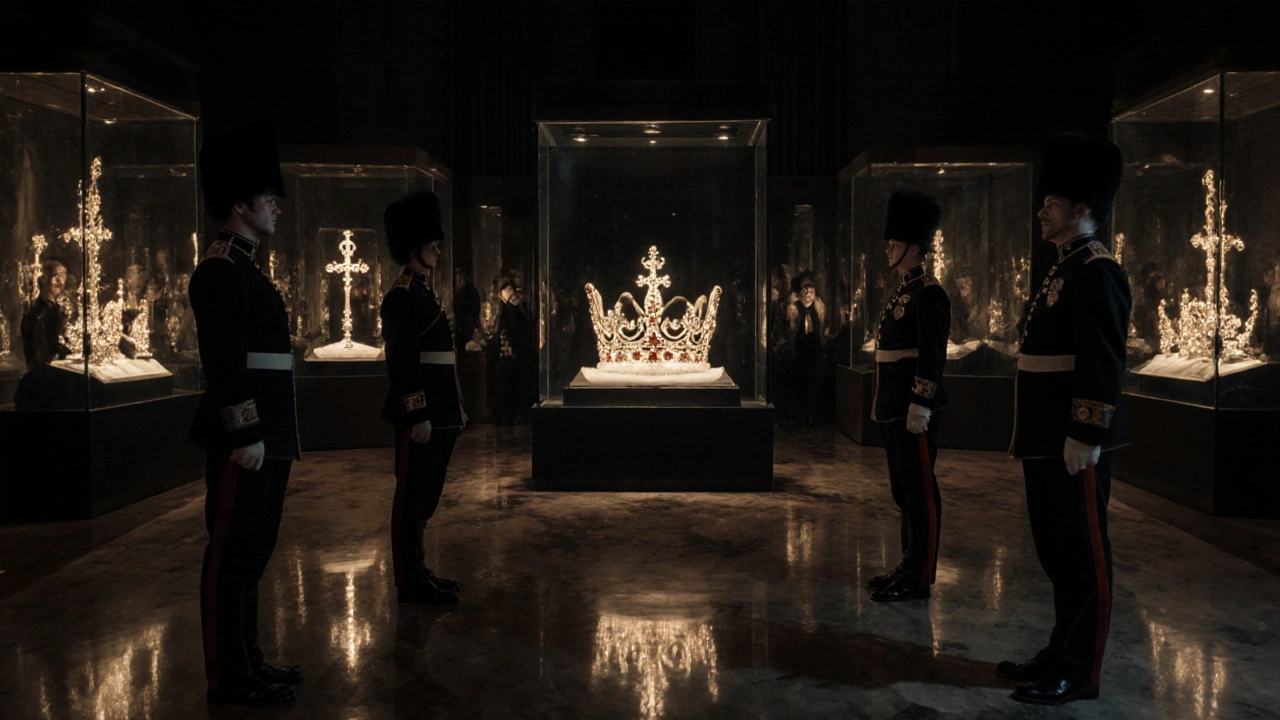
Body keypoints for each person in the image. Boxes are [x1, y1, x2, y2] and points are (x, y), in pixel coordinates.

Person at [1002, 132, 1128, 706]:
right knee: (1056, 550)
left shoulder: (1097, 269)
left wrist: (1085, 430)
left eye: (1052, 201)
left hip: (1071, 441)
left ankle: (1081, 670)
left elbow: (1103, 358)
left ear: (1081, 207)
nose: (1041, 210)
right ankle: (1060, 648)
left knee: (1082, 553)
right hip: (1045, 437)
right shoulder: (1063, 267)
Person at [188, 122, 300, 707]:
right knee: (230, 559)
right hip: (249, 439)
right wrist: (246, 430)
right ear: (239, 204)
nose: (276, 205)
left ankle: (249, 661)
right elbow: (225, 364)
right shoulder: (219, 271)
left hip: (270, 437)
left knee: (253, 554)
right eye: (266, 197)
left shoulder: (247, 269)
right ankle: (227, 679)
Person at [380, 190, 467, 605]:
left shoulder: (421, 292)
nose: (438, 246)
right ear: (412, 244)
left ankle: (419, 571)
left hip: (441, 413)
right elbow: (402, 363)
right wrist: (418, 414)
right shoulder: (401, 296)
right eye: (431, 240)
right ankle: (409, 581)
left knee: (426, 499)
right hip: (424, 416)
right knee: (411, 500)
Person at [866, 190, 950, 603]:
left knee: (920, 491)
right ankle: (908, 563)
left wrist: (921, 401)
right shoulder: (904, 290)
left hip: (911, 409)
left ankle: (919, 575)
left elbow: (932, 355)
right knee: (903, 490)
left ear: (914, 247)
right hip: (893, 406)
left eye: (895, 243)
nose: (889, 248)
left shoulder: (928, 292)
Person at [13, 260, 77, 410]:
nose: (60, 281)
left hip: (56, 379)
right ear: (43, 278)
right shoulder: (35, 313)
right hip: (40, 387)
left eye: (63, 275)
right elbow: (39, 354)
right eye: (55, 276)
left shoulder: (60, 310)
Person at [784, 272, 826, 426]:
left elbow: (821, 327)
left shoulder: (819, 307)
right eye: (805, 287)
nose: (808, 291)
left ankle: (811, 413)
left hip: (814, 349)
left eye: (811, 287)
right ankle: (801, 413)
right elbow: (791, 331)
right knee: (800, 382)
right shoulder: (794, 308)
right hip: (800, 349)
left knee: (814, 382)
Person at [495, 276, 531, 425]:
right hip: (511, 350)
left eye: (511, 289)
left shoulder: (516, 305)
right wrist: (506, 348)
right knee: (509, 383)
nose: (510, 292)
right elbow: (503, 329)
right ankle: (507, 415)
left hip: (518, 348)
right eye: (507, 289)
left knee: (514, 382)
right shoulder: (505, 307)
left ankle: (512, 414)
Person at [453, 267, 481, 353]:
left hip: (466, 326)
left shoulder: (469, 291)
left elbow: (472, 310)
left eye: (460, 274)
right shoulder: (461, 289)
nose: (458, 277)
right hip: (462, 326)